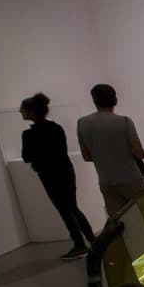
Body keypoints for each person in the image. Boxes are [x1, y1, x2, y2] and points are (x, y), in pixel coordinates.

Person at [20, 93, 96, 261]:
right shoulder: (56, 128)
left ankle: (80, 245)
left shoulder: (29, 135)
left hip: (49, 175)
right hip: (66, 171)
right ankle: (93, 241)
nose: (21, 112)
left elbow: (26, 157)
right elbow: (60, 151)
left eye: (23, 110)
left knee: (65, 210)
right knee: (73, 208)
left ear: (32, 112)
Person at [77, 84, 144, 216]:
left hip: (106, 181)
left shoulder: (82, 123)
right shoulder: (125, 122)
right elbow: (140, 153)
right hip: (132, 179)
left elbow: (86, 156)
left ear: (94, 101)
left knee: (119, 223)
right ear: (115, 100)